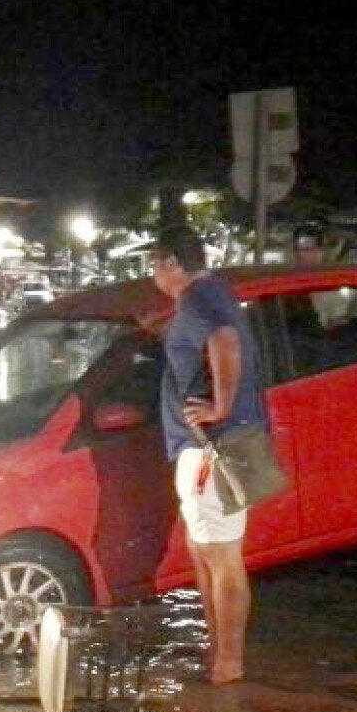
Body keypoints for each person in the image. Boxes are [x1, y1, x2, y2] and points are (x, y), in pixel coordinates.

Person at [145, 225, 268, 685]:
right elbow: (210, 337)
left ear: (172, 263)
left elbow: (224, 341)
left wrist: (220, 407)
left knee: (221, 556)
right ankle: (219, 654)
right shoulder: (211, 294)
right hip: (219, 444)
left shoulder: (199, 299)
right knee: (206, 552)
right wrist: (164, 328)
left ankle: (228, 664)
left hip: (213, 447)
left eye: (155, 263)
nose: (153, 273)